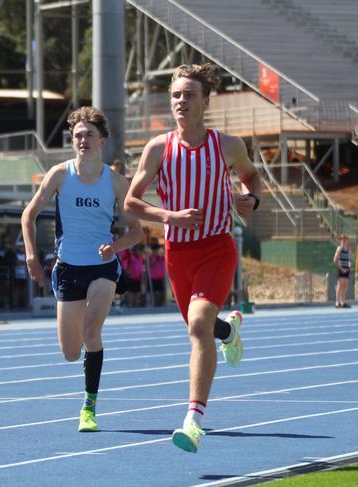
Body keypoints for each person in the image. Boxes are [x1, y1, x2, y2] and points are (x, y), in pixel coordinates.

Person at [124, 63, 262, 453]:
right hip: (177, 253)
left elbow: (251, 177)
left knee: (198, 326)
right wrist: (169, 217)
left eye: (188, 94)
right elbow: (131, 201)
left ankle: (192, 421)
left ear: (205, 101)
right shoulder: (158, 147)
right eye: (175, 95)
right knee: (198, 327)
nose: (181, 101)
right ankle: (229, 331)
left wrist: (251, 200)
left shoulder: (228, 145)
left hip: (216, 246)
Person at [21, 106, 143, 432]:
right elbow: (28, 215)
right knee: (71, 352)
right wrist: (32, 255)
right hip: (68, 267)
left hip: (103, 267)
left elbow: (137, 232)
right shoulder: (59, 175)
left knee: (92, 333)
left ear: (102, 140)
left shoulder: (116, 182)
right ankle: (85, 374)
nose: (83, 140)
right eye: (77, 135)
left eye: (89, 134)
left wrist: (114, 248)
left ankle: (89, 407)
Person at [0, 233, 16, 308]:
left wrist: (11, 249)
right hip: (1, 269)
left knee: (9, 286)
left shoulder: (11, 247)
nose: (7, 240)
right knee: (0, 286)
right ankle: (0, 301)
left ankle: (11, 302)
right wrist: (6, 249)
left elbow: (14, 255)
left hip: (10, 269)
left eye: (8, 238)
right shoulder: (0, 247)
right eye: (6, 238)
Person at [334, 234, 352, 308]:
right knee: (340, 285)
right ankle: (337, 302)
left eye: (345, 239)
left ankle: (342, 302)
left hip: (346, 269)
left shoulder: (348, 249)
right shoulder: (339, 249)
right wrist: (341, 268)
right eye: (342, 239)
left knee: (345, 286)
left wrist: (349, 265)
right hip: (341, 269)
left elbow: (349, 259)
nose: (344, 241)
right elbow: (335, 259)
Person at [148, 240, 166, 307]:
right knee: (155, 291)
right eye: (154, 251)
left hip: (160, 277)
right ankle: (155, 303)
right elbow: (150, 265)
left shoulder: (161, 257)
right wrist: (153, 258)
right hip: (153, 277)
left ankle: (161, 303)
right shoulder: (150, 258)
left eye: (156, 251)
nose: (155, 252)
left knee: (161, 291)